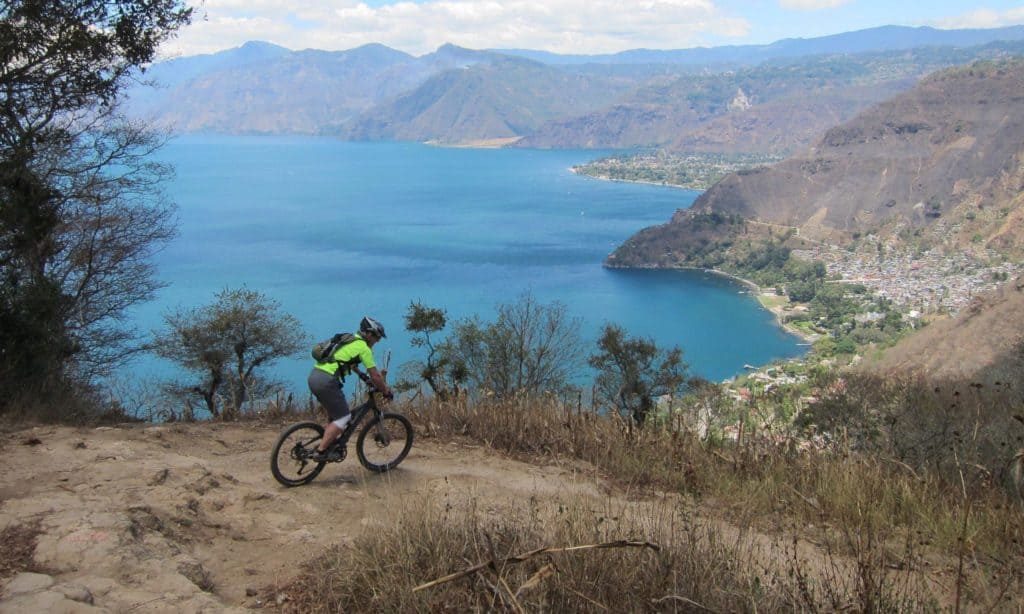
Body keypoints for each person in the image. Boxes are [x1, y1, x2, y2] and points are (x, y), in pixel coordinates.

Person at [307, 316, 393, 461]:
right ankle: (321, 452)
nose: (377, 341)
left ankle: (329, 444)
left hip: (315, 376)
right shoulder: (363, 348)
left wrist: (362, 376)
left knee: (335, 416)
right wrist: (385, 391)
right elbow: (376, 376)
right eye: (377, 338)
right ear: (369, 334)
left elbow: (347, 362)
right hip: (326, 381)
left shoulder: (349, 339)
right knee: (344, 417)